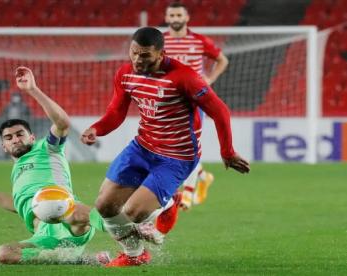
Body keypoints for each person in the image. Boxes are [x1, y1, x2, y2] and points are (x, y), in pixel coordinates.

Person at [80, 27, 249, 267]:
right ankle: (135, 254)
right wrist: (97, 128)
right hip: (141, 147)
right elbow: (116, 111)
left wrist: (227, 152)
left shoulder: (184, 77)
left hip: (176, 156)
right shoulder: (126, 73)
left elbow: (220, 110)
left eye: (145, 55)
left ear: (161, 54)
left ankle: (167, 206)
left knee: (133, 213)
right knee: (105, 206)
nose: (138, 60)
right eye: (134, 53)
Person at [0, 67, 107, 265]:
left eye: (20, 134)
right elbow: (19, 206)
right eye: (9, 138)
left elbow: (62, 122)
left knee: (77, 212)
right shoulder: (17, 174)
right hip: (44, 237)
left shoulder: (47, 148)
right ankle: (77, 259)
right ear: (4, 147)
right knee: (5, 253)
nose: (15, 139)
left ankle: (129, 232)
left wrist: (32, 90)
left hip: (69, 220)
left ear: (32, 137)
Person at [164, 1, 230, 209]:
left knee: (189, 144)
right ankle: (202, 175)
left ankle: (187, 194)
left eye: (178, 16)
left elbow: (222, 60)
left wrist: (209, 80)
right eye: (172, 16)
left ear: (186, 18)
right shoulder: (160, 42)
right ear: (167, 19)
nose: (175, 19)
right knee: (170, 146)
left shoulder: (199, 41)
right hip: (167, 100)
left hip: (194, 99)